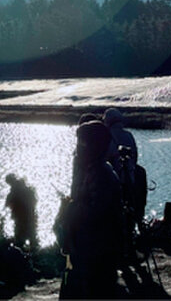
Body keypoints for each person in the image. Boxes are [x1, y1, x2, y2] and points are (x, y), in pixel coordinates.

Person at [61, 120, 125, 299]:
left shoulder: (102, 174)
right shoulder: (90, 170)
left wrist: (71, 209)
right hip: (88, 249)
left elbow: (95, 213)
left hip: (98, 250)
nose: (78, 149)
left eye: (82, 143)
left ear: (94, 146)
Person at [4, 174, 38, 250]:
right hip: (31, 217)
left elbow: (7, 203)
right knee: (32, 238)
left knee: (20, 241)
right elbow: (35, 201)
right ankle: (34, 254)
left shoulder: (14, 192)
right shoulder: (28, 189)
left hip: (21, 219)